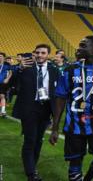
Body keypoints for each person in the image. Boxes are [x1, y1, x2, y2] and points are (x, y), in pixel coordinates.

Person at [49, 36, 93, 181]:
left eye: (83, 45)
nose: (78, 48)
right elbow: (60, 100)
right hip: (74, 124)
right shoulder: (70, 70)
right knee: (75, 160)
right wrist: (55, 128)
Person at [12, 44, 60, 181]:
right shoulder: (25, 69)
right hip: (29, 109)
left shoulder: (54, 70)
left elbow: (56, 92)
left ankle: (32, 166)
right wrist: (19, 69)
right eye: (37, 52)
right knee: (30, 140)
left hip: (45, 109)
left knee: (38, 141)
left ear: (48, 55)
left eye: (43, 53)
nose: (39, 55)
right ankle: (31, 173)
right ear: (34, 54)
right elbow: (12, 85)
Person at [0, 52, 12, 117]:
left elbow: (10, 73)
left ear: (4, 58)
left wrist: (7, 79)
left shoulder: (6, 65)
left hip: (2, 83)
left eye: (1, 56)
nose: (0, 57)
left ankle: (3, 110)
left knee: (2, 96)